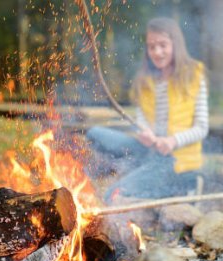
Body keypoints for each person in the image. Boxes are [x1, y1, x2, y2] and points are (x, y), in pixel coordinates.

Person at [86, 17, 208, 203]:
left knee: (113, 195)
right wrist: (144, 132)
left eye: (163, 45)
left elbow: (202, 127)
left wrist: (172, 141)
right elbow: (141, 120)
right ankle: (147, 176)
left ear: (175, 43)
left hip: (173, 159)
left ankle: (184, 185)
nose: (157, 52)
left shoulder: (194, 75)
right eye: (152, 46)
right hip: (148, 150)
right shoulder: (145, 80)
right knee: (95, 133)